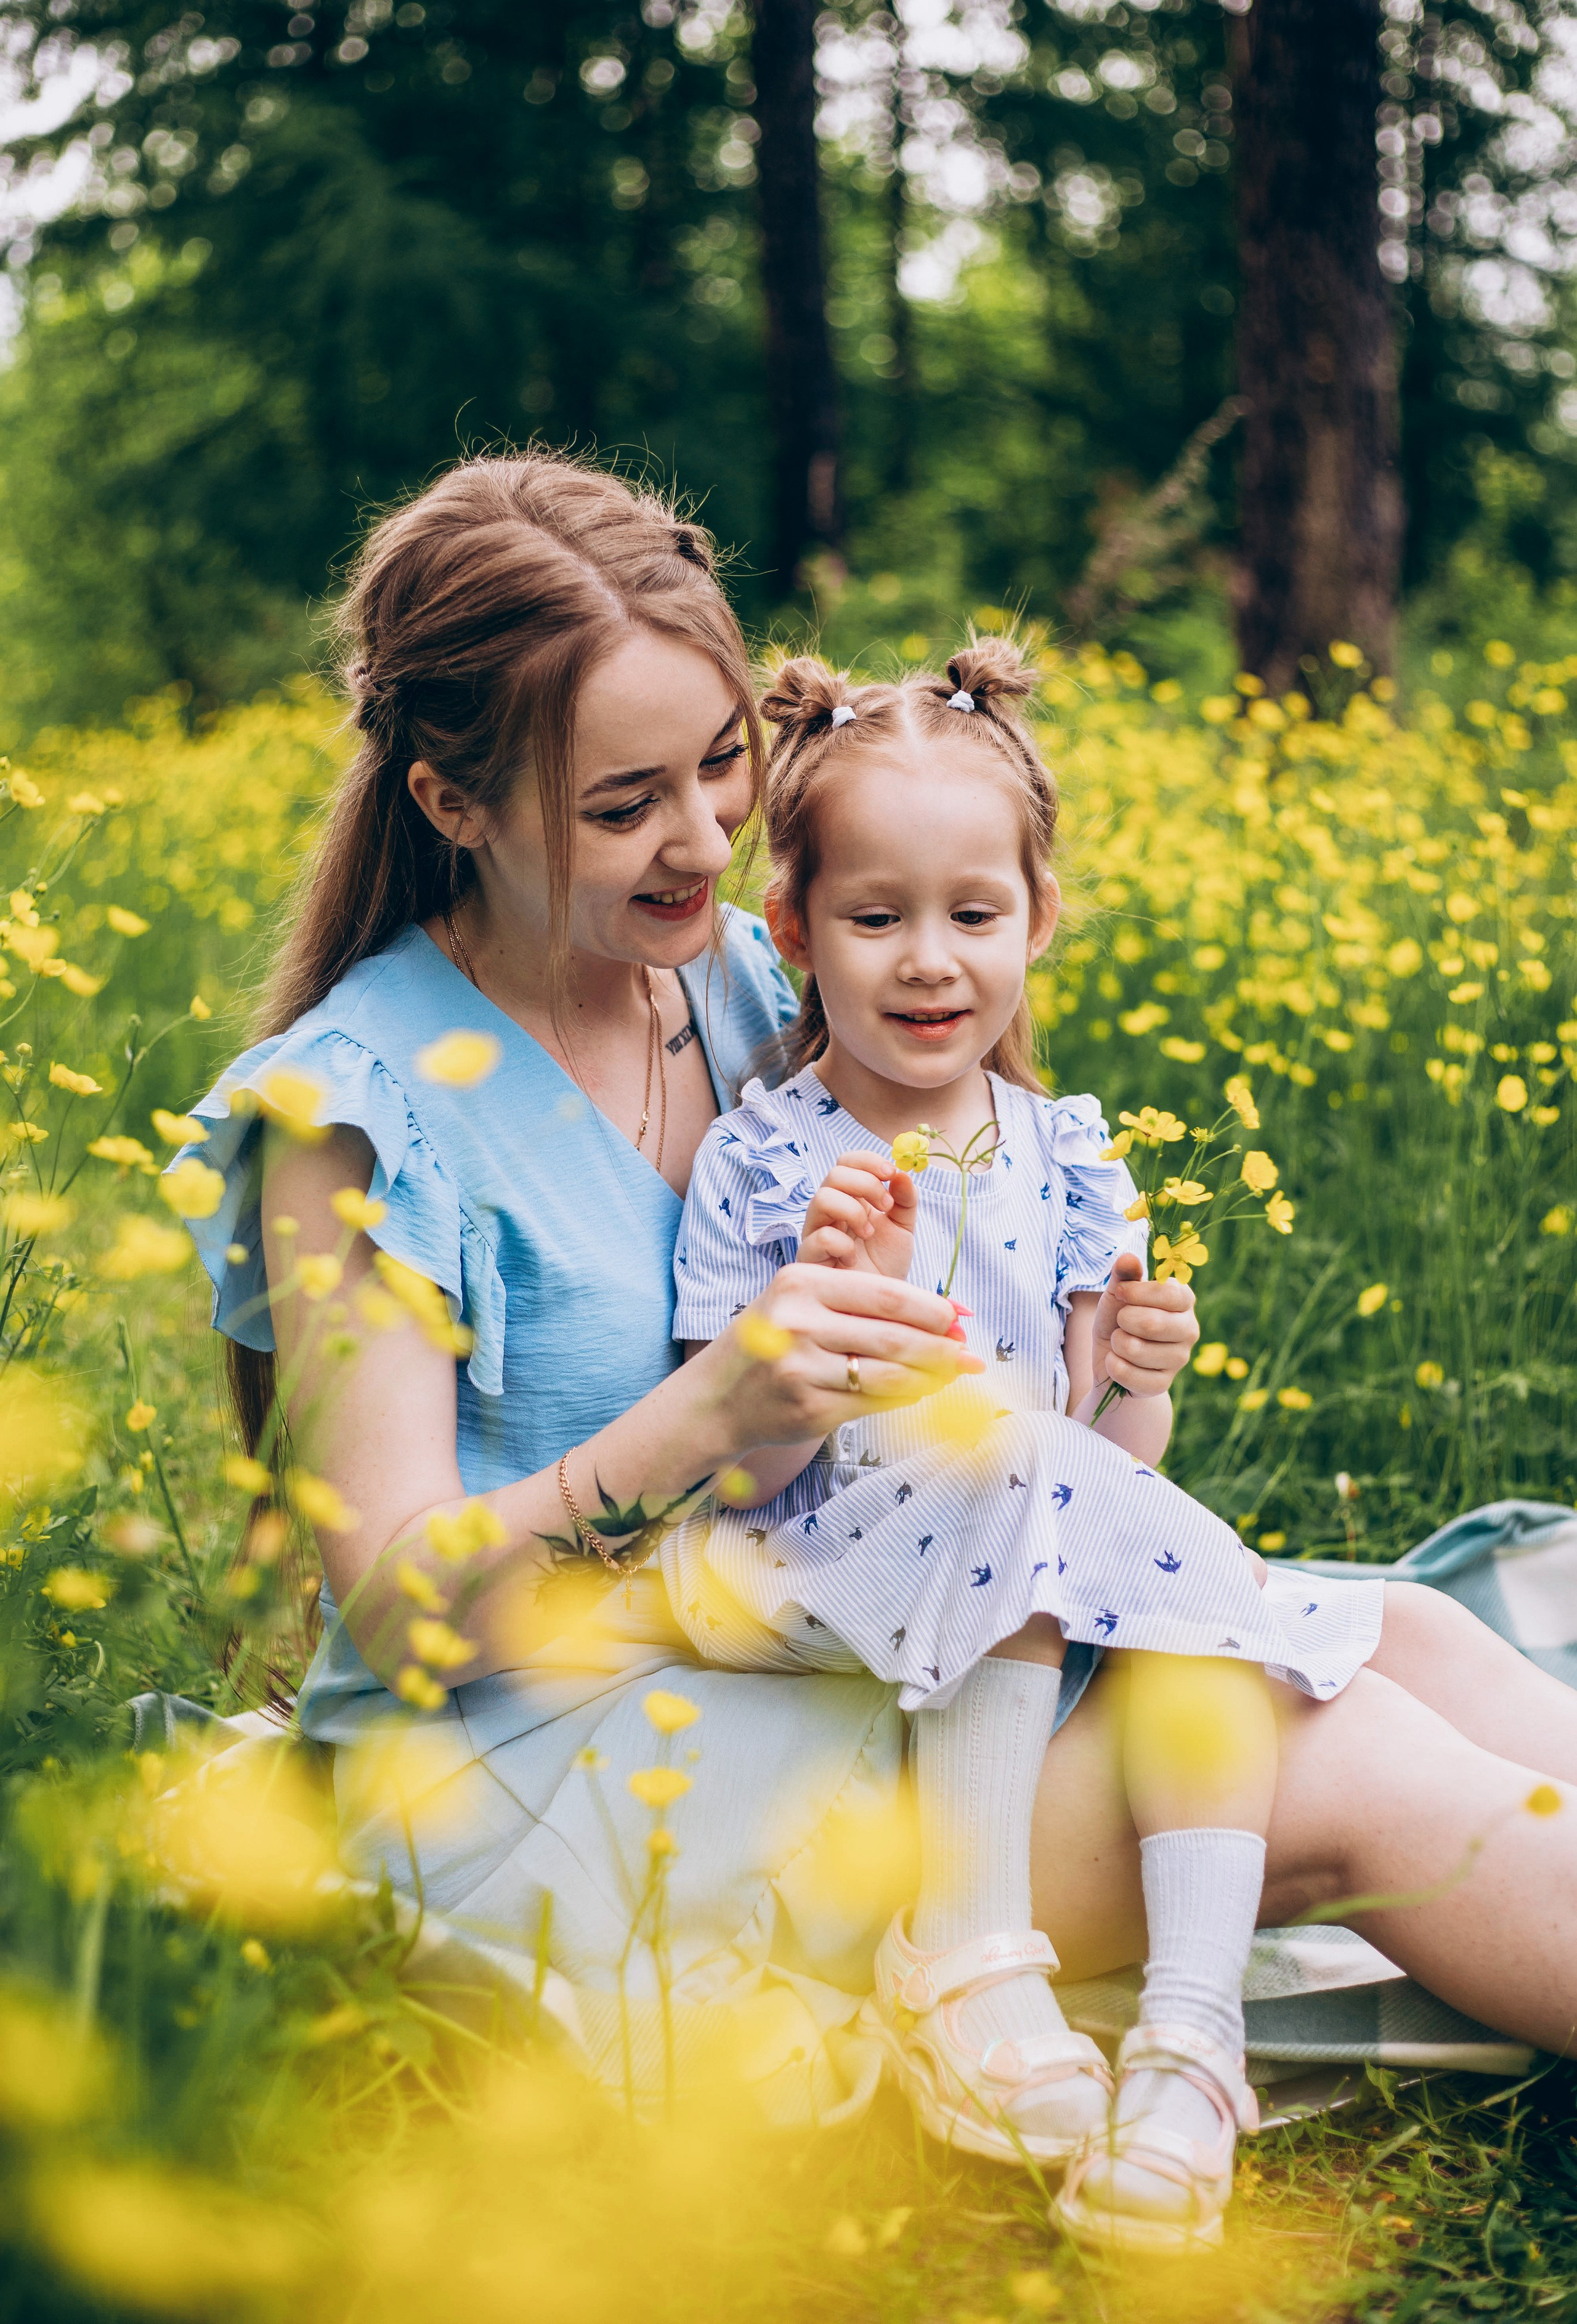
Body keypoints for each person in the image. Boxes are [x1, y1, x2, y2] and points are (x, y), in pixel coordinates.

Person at [168, 450, 1577, 2251]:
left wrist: (1104, 1351)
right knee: (1340, 1757)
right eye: (621, 806)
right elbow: (401, 1622)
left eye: (718, 768)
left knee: (1410, 1633)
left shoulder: (731, 979)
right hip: (558, 1761)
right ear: (453, 798)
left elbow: (983, 1295)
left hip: (833, 1621)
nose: (700, 841)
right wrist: (695, 1421)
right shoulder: (353, 1122)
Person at [663, 641, 1377, 2246]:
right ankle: (968, 1952)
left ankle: (1194, 2040)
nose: (930, 963)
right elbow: (739, 1466)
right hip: (808, 1582)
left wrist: (1133, 1370)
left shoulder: (1067, 1153)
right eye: (875, 917)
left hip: (1021, 1582)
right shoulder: (771, 1157)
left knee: (1165, 1585)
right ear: (792, 934)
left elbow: (1117, 1463)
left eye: (973, 915)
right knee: (1015, 1461)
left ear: (1035, 923)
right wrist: (820, 1304)